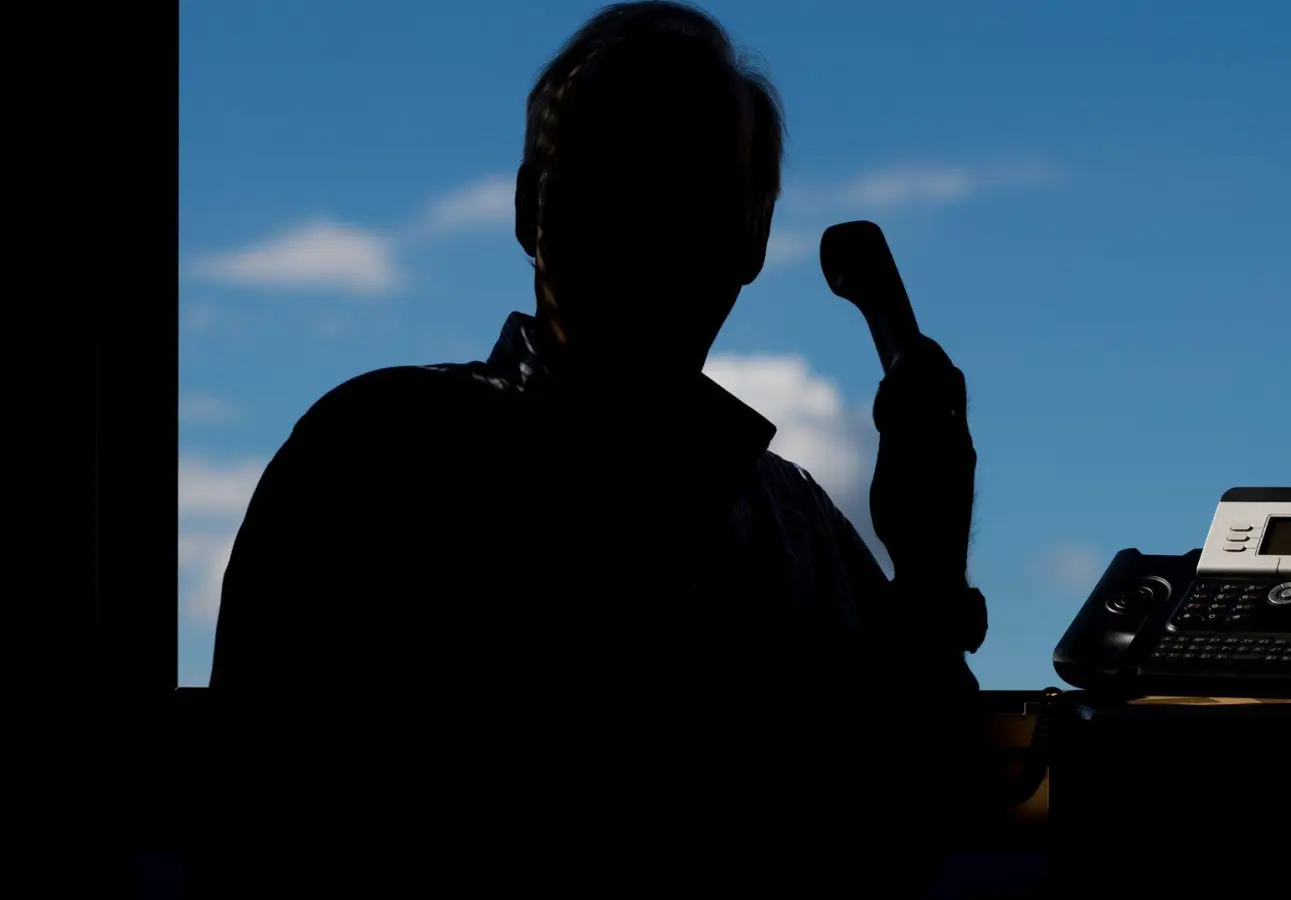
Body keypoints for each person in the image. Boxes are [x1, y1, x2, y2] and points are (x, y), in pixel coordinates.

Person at [207, 2, 988, 896]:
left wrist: (927, 577)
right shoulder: (371, 466)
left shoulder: (801, 526)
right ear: (526, 210)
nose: (648, 213)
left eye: (689, 180)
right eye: (612, 169)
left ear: (752, 240)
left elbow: (916, 824)